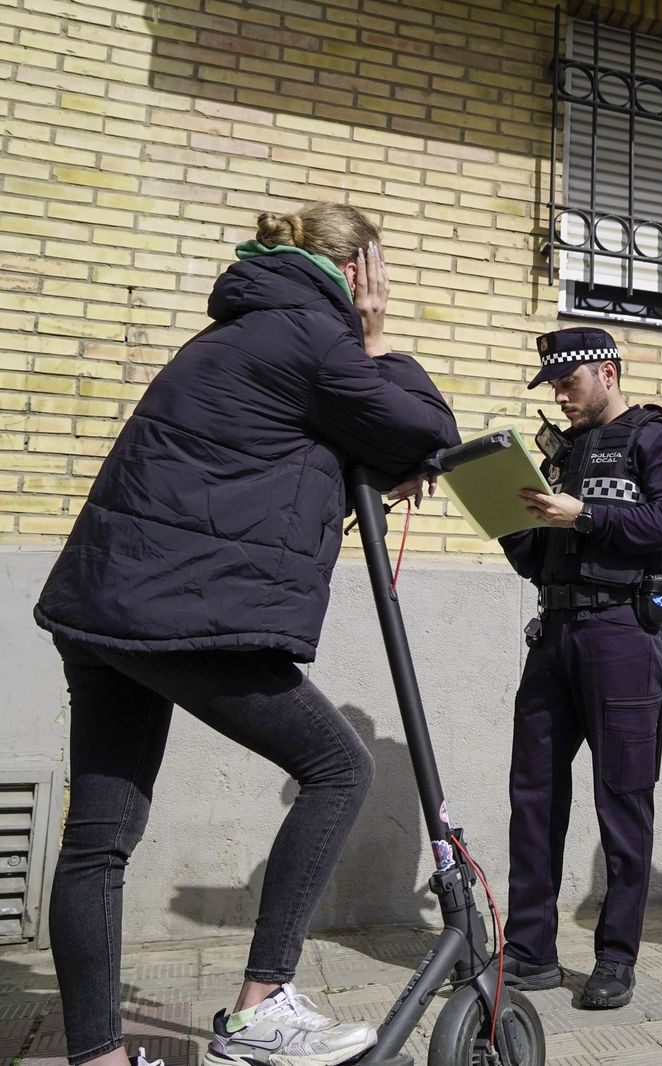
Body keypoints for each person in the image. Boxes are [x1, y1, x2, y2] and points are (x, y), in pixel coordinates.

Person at [34, 204, 460, 1066]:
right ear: (358, 272)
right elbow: (425, 431)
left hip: (105, 602)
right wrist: (377, 337)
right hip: (183, 610)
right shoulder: (315, 337)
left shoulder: (238, 328)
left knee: (99, 842)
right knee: (339, 769)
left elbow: (291, 443)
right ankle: (261, 1008)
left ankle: (97, 1059)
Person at [498, 327, 662, 1008]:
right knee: (533, 794)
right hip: (554, 633)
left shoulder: (656, 437)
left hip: (621, 634)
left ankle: (616, 958)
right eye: (553, 387)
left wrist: (583, 514)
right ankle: (530, 952)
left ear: (606, 373)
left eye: (569, 383)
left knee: (623, 797)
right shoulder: (562, 455)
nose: (560, 397)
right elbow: (537, 559)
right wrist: (508, 518)